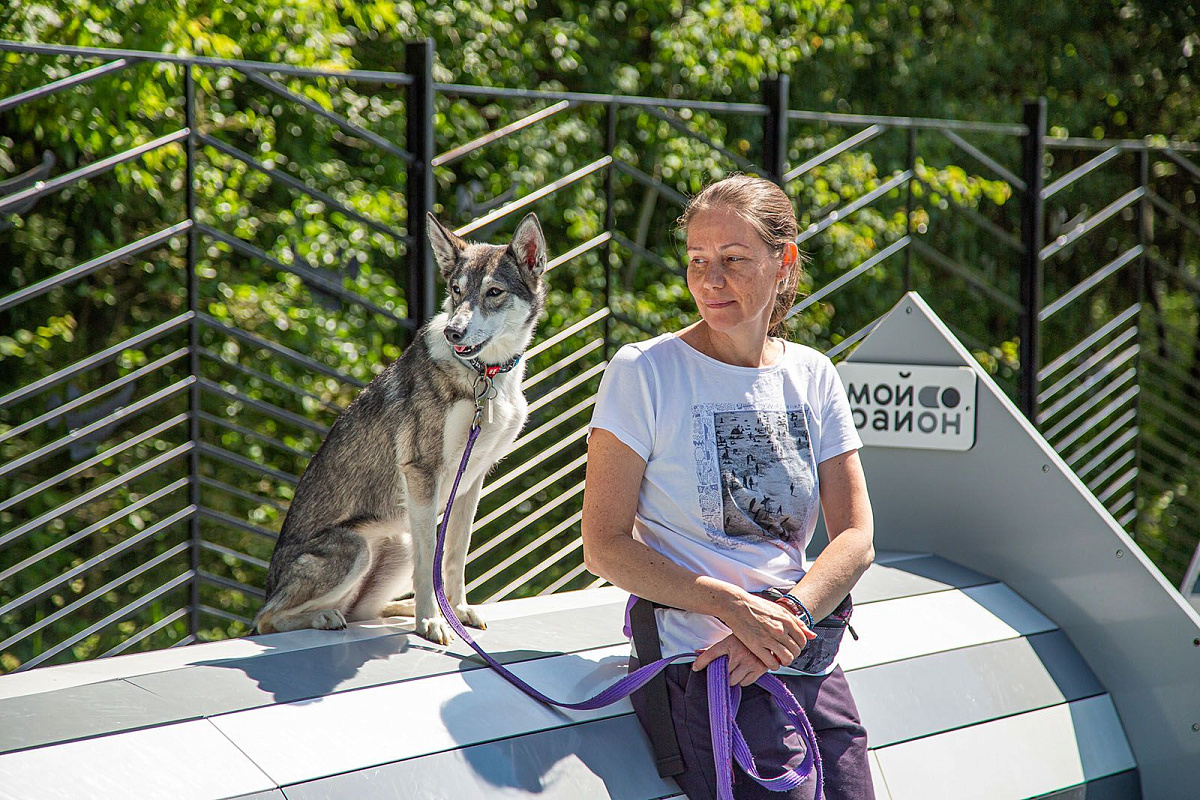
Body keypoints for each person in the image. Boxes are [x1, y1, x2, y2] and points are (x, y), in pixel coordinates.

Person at [581, 174, 876, 799]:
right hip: (704, 665)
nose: (710, 281)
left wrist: (788, 616)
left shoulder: (813, 375)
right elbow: (603, 544)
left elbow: (856, 535)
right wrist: (731, 608)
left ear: (783, 262)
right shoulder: (645, 372)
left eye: (734, 261)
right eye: (697, 261)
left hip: (800, 651)